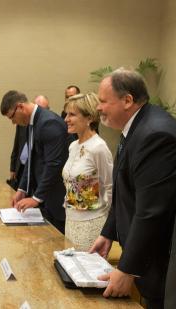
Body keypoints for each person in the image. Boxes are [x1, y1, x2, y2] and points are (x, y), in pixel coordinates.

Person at [89, 69, 176, 308]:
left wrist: (127, 269)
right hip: (150, 258)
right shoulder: (136, 127)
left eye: (103, 101)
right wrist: (108, 233)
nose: (99, 108)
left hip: (166, 261)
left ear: (127, 100)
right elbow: (126, 191)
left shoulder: (156, 135)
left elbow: (151, 211)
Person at [1, 90, 68, 234]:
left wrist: (37, 198)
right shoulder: (31, 123)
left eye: (12, 117)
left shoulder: (48, 123)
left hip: (56, 199)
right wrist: (22, 189)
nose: (13, 122)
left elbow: (53, 164)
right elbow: (31, 159)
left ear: (20, 107)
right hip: (45, 196)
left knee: (56, 244)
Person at [62, 93, 113, 251]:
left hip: (91, 224)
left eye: (72, 115)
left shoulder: (99, 147)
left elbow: (110, 187)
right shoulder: (73, 146)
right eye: (66, 114)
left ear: (90, 118)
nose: (66, 119)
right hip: (70, 220)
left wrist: (107, 231)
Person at [8, 95, 50, 190]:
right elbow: (16, 146)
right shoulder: (23, 123)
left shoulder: (48, 125)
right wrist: (13, 168)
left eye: (44, 109)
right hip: (21, 166)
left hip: (36, 170)